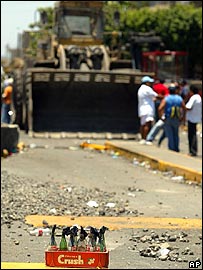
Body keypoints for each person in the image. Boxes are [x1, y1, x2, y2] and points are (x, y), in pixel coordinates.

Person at [158, 84, 186, 152]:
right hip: (177, 118)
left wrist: (161, 117)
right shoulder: (179, 98)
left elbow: (160, 108)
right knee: (176, 133)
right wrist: (183, 117)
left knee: (170, 134)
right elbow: (184, 108)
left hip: (168, 118)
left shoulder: (167, 98)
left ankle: (171, 148)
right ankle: (176, 148)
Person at [137, 75, 162, 144]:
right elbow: (156, 95)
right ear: (146, 82)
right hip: (148, 109)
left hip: (142, 108)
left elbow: (150, 98)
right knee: (148, 124)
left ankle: (142, 138)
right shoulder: (147, 88)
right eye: (150, 82)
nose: (151, 84)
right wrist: (165, 96)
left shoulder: (141, 89)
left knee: (142, 124)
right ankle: (146, 139)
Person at [145, 78, 169, 145]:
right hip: (161, 101)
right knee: (160, 116)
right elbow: (166, 96)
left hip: (155, 101)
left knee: (155, 115)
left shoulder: (155, 86)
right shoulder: (164, 88)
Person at [185, 85, 202, 156]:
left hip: (191, 118)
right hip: (196, 118)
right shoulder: (198, 97)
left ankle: (192, 151)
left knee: (191, 135)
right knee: (193, 134)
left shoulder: (193, 98)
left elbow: (188, 107)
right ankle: (193, 150)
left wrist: (183, 105)